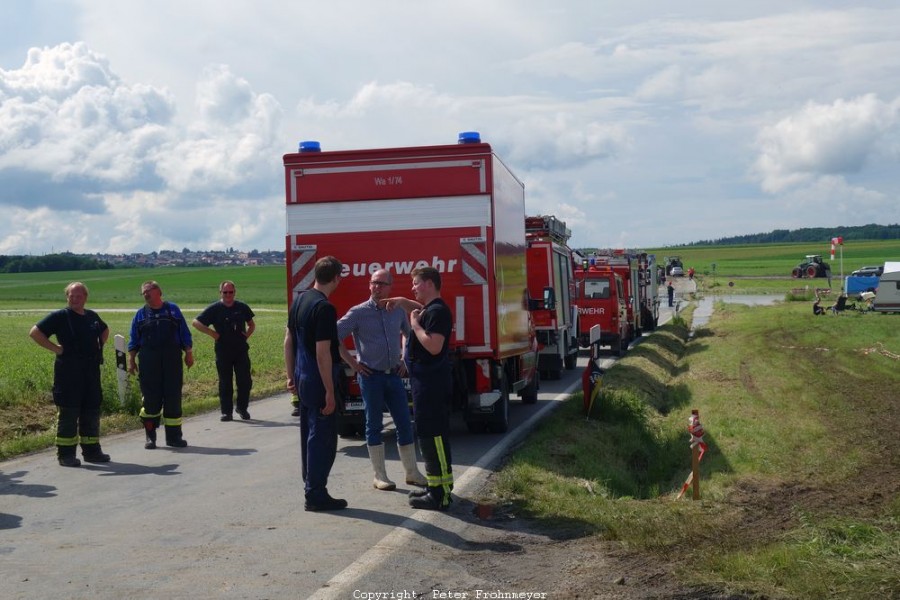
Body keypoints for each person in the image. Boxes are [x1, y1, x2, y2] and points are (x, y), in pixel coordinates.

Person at [337, 269, 427, 491]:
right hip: (371, 377)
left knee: (405, 423)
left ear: (390, 287)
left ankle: (412, 472)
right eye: (373, 283)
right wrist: (353, 363)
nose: (376, 287)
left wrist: (405, 360)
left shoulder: (396, 312)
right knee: (373, 424)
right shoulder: (358, 313)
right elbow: (333, 335)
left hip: (393, 375)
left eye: (381, 284)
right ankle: (380, 476)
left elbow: (410, 332)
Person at [284, 256, 348, 512]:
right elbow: (324, 353)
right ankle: (316, 494)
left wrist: (290, 376)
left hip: (302, 376)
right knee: (322, 438)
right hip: (319, 379)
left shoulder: (300, 300)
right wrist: (330, 391)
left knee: (308, 436)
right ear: (336, 278)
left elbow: (288, 341)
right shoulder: (324, 308)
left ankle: (310, 485)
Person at [389, 266, 454, 511]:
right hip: (423, 383)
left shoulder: (437, 312)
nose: (413, 287)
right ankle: (434, 487)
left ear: (428, 283)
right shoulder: (428, 309)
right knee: (426, 434)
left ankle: (441, 494)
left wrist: (415, 326)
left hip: (432, 384)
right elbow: (415, 309)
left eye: (416, 283)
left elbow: (435, 346)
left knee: (434, 436)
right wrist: (400, 303)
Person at [29, 282, 111, 467]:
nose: (75, 299)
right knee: (69, 412)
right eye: (71, 296)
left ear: (85, 297)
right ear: (67, 297)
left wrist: (99, 344)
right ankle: (66, 455)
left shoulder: (92, 316)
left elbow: (105, 330)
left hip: (90, 372)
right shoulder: (60, 316)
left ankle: (92, 452)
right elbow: (35, 333)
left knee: (91, 411)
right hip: (68, 374)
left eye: (78, 296)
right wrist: (56, 349)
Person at [128, 281, 194, 449]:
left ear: (158, 291)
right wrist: (131, 360)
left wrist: (188, 353)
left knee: (173, 399)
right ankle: (150, 437)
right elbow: (134, 340)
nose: (145, 294)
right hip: (149, 362)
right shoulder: (140, 315)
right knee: (150, 401)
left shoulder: (173, 310)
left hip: (172, 360)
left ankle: (174, 438)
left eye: (148, 291)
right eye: (143, 292)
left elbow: (184, 333)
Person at [192, 281, 256, 421]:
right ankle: (226, 412)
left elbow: (251, 324)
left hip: (240, 350)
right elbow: (196, 322)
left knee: (245, 381)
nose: (228, 295)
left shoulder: (242, 307)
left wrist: (247, 334)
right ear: (220, 293)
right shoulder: (215, 308)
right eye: (225, 292)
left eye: (230, 292)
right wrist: (212, 333)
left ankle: (242, 408)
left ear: (235, 292)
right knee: (225, 382)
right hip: (223, 351)